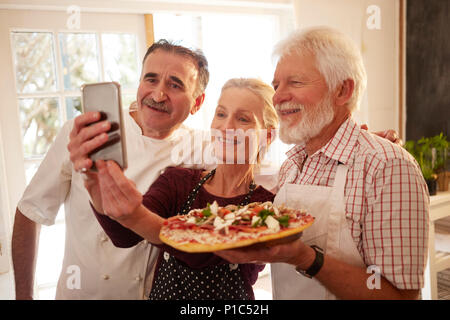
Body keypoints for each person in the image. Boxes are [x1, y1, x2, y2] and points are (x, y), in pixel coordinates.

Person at [216, 27, 429, 300]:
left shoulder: (388, 166)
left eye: (294, 82)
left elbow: (400, 296)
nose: (278, 97)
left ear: (342, 90)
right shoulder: (292, 164)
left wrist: (307, 258)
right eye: (277, 85)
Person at [12, 39, 210, 299]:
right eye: (150, 80)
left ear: (197, 102)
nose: (158, 95)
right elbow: (30, 211)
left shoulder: (202, 149)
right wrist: (23, 297)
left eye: (175, 85)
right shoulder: (85, 134)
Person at [82, 78, 278, 300]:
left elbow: (202, 254)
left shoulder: (266, 207)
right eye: (221, 114)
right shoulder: (178, 181)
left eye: (243, 119)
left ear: (267, 136)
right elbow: (126, 237)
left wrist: (135, 216)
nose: (226, 127)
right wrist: (98, 194)